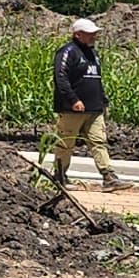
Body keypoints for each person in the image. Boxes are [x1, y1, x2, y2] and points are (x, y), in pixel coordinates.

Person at [46, 18, 122, 191]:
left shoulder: (92, 54)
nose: (94, 36)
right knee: (66, 143)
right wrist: (73, 100)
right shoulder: (67, 52)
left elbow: (97, 80)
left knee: (98, 142)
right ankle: (59, 176)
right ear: (78, 34)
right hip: (72, 109)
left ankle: (108, 176)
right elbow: (61, 78)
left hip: (94, 109)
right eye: (89, 34)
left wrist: (103, 101)